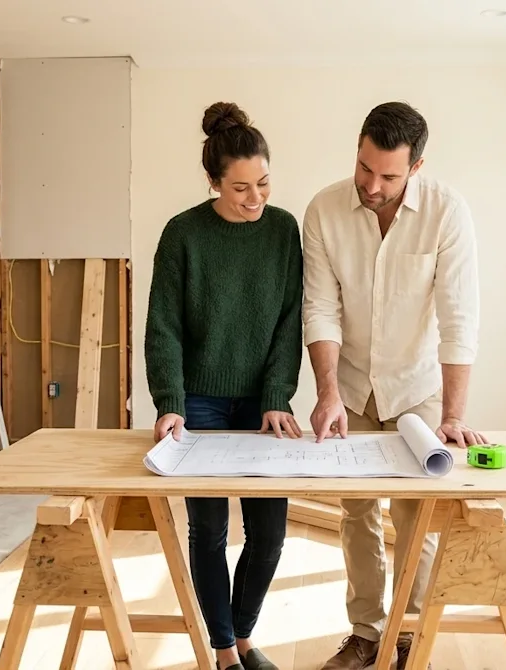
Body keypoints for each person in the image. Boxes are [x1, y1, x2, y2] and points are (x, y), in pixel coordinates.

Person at [302, 102, 485, 670]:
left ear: (417, 166)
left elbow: (459, 319)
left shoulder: (447, 212)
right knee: (356, 513)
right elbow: (321, 310)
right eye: (364, 168)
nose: (371, 185)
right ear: (357, 149)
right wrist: (327, 392)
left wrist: (453, 415)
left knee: (416, 516)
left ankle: (409, 640)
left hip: (417, 390)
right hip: (350, 386)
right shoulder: (324, 211)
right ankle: (365, 635)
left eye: (388, 175)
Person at [145, 101, 303, 670]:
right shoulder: (183, 234)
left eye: (263, 183)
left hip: (262, 401)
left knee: (269, 534)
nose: (255, 199)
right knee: (209, 530)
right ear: (213, 181)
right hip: (201, 403)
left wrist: (276, 397)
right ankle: (224, 653)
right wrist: (170, 404)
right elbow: (162, 324)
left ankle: (241, 634)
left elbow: (290, 321)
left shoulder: (283, 231)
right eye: (240, 189)